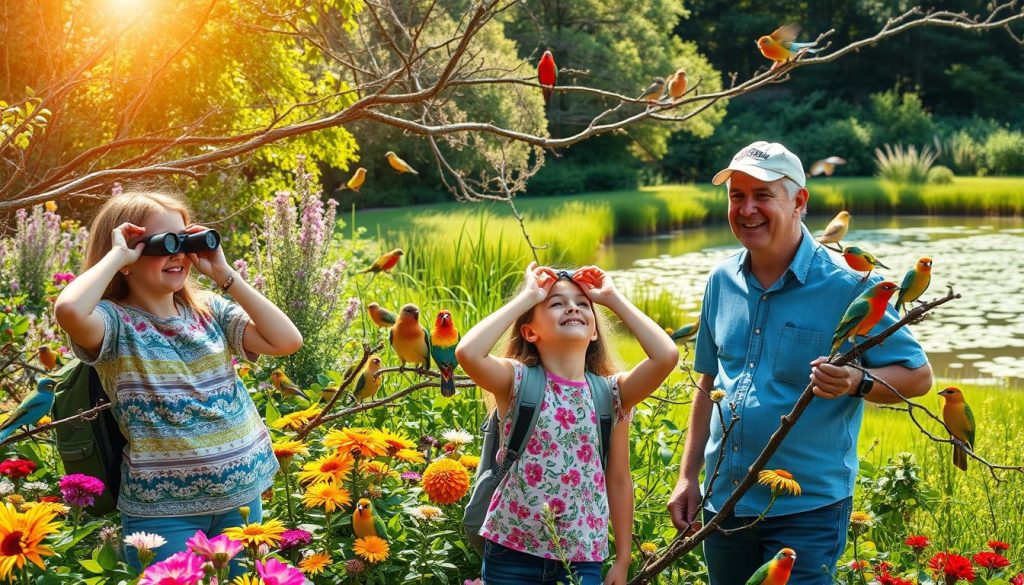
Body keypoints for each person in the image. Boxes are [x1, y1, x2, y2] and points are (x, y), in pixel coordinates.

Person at [666, 142, 932, 585]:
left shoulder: (848, 285)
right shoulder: (721, 280)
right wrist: (687, 477)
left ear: (799, 201)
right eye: (737, 196)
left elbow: (918, 375)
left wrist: (853, 381)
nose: (747, 209)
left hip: (806, 512)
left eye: (763, 195)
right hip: (723, 503)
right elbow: (709, 381)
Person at [53, 190, 302, 574]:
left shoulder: (208, 310)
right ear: (128, 259)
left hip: (241, 499)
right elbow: (69, 309)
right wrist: (117, 254)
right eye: (162, 243)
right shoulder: (114, 325)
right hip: (162, 517)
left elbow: (287, 341)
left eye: (186, 240)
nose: (180, 253)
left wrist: (224, 274)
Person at [456, 263, 678, 585]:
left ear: (593, 331)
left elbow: (666, 356)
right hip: (512, 553)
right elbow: (468, 353)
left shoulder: (611, 394)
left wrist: (612, 298)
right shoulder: (517, 382)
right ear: (530, 332)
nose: (572, 306)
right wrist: (528, 296)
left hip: (582, 559)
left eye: (582, 303)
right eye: (556, 303)